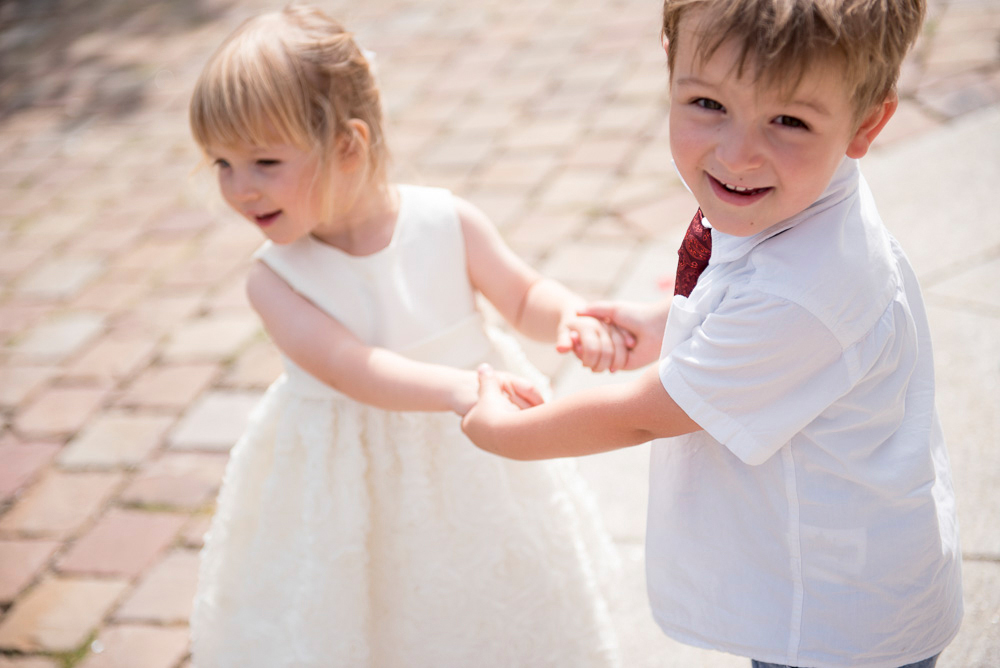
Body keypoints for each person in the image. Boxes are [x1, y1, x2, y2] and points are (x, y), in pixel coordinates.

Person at [462, 1, 964, 667]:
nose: (737, 153)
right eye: (707, 104)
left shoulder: (805, 290)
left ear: (865, 123)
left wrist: (503, 433)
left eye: (788, 121)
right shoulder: (803, 202)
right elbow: (753, 319)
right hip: (841, 576)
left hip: (835, 624)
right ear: (671, 72)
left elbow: (646, 415)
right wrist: (671, 325)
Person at [186, 5, 626, 667]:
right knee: (375, 614)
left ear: (347, 145)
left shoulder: (445, 221)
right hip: (350, 480)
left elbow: (523, 293)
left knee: (490, 593)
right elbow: (351, 368)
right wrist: (461, 389)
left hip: (477, 452)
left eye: (263, 161)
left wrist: (569, 317)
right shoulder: (276, 279)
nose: (239, 188)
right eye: (221, 163)